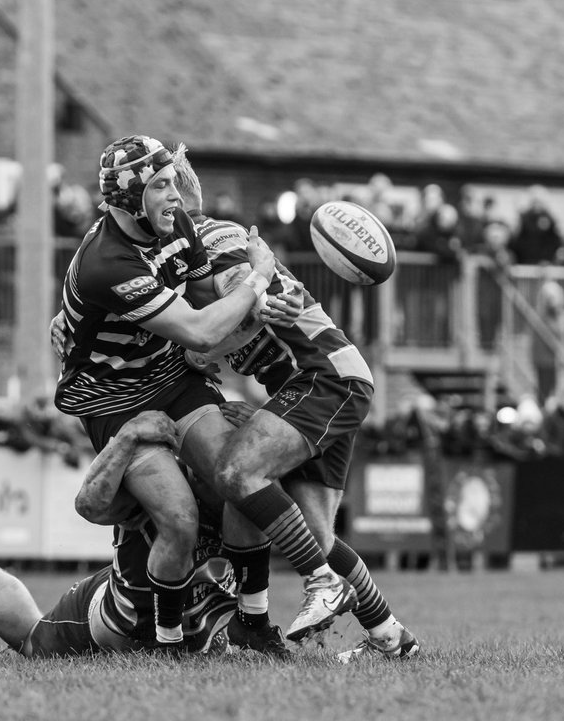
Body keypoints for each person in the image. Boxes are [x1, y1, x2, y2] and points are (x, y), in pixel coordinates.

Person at [173, 145, 418, 656]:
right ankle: (391, 637)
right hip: (325, 380)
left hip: (324, 377)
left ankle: (315, 589)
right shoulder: (181, 255)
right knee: (313, 533)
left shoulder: (209, 238)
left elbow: (242, 286)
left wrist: (249, 309)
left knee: (237, 473)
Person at [52, 134, 288, 650]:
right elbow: (201, 332)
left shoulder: (176, 223)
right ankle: (168, 641)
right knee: (178, 519)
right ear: (128, 199)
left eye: (172, 183)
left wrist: (250, 302)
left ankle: (254, 622)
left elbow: (208, 302)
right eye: (160, 186)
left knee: (240, 472)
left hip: (170, 375)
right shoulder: (104, 263)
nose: (176, 197)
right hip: (112, 397)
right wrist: (260, 278)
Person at [0, 412, 236, 657]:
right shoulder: (169, 481)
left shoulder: (246, 477)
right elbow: (88, 505)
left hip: (182, 608)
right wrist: (127, 437)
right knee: (33, 640)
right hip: (133, 616)